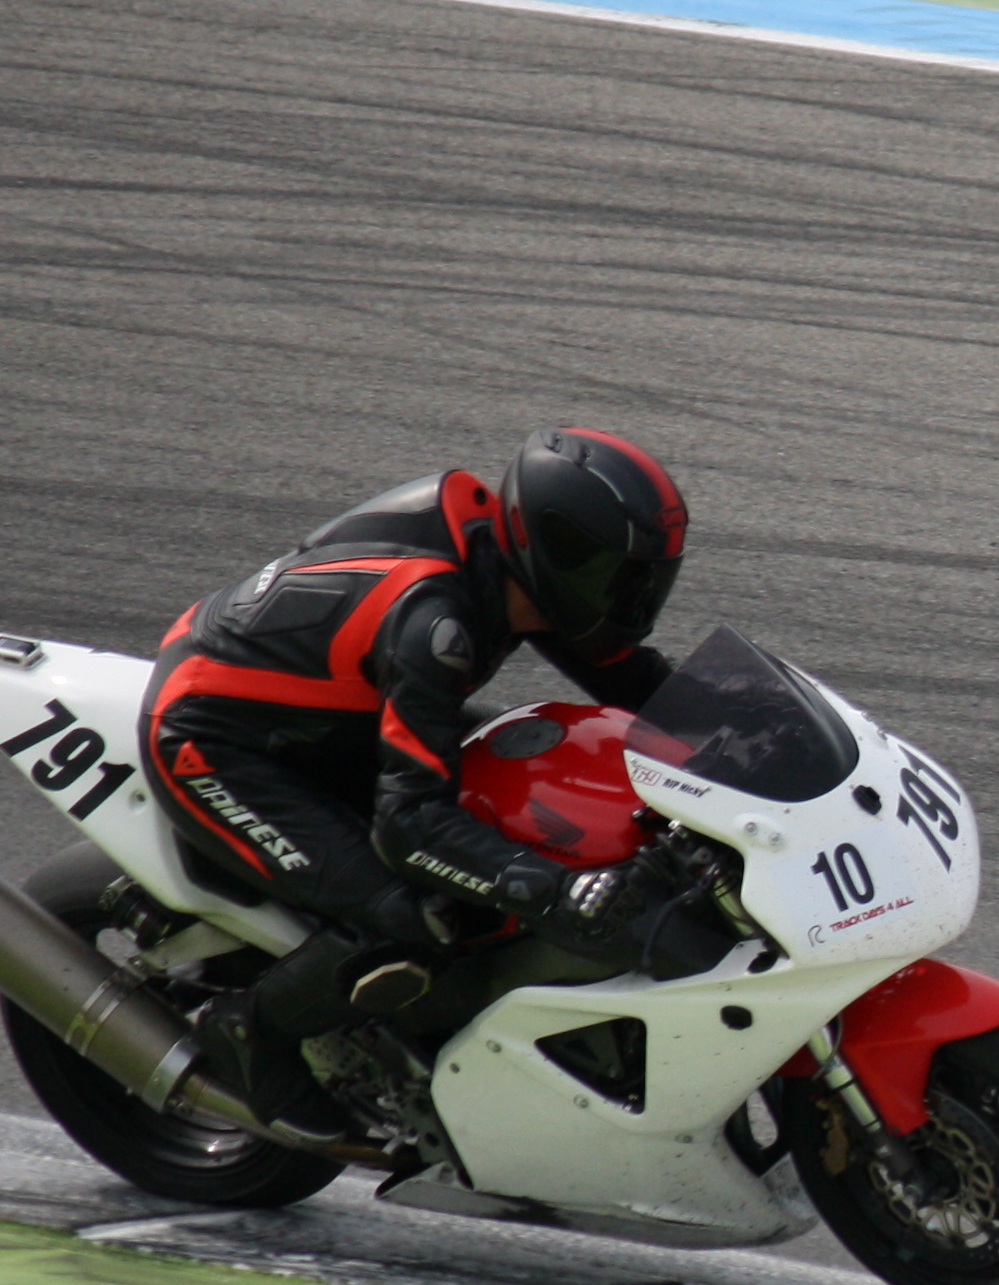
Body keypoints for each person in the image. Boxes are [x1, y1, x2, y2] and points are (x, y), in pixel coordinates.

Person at [139, 426, 709, 1140]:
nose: (636, 597)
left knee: (529, 786)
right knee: (416, 913)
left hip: (330, 718)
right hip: (215, 743)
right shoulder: (438, 626)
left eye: (648, 578)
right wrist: (554, 888)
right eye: (621, 577)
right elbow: (410, 826)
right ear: (560, 553)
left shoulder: (513, 566)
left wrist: (757, 731)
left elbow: (638, 684)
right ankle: (249, 1030)